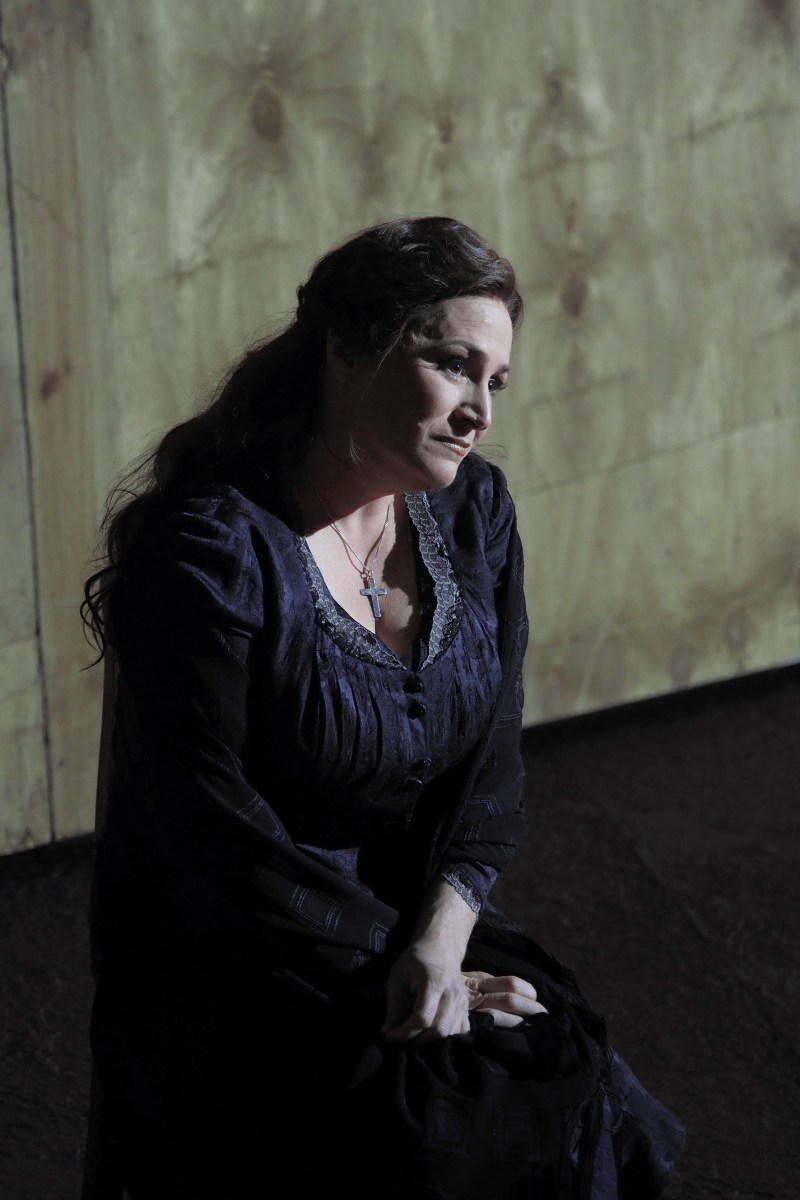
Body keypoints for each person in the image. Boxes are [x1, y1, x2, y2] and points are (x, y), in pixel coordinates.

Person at [82, 215, 685, 1199]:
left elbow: (489, 771)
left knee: (555, 1063)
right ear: (350, 347)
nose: (478, 410)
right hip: (244, 944)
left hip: (409, 926)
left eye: (496, 381)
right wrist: (390, 966)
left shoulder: (474, 513)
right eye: (453, 365)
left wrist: (440, 944)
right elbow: (207, 827)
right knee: (448, 1119)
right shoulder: (213, 551)